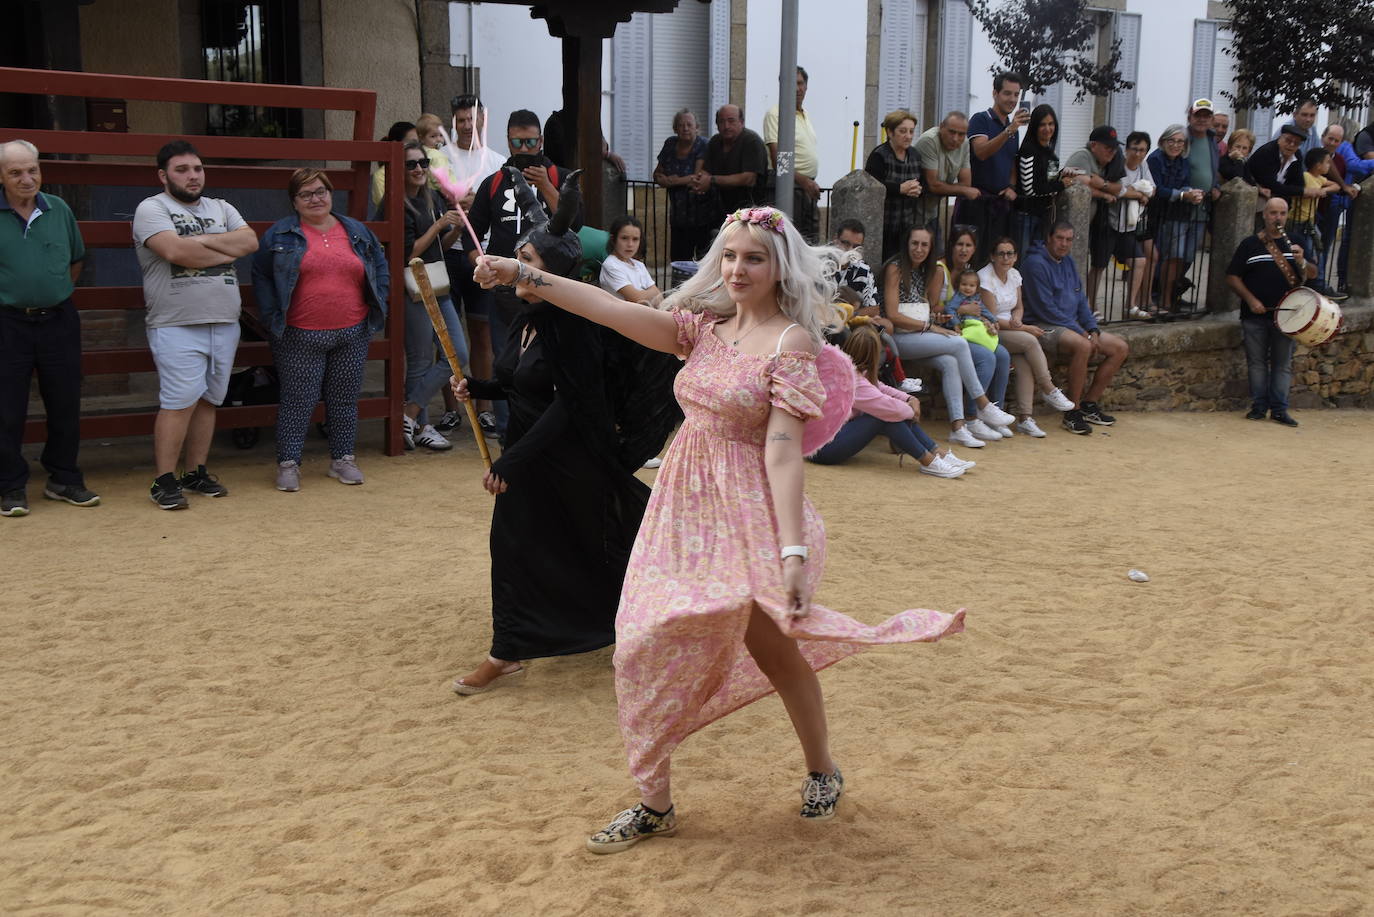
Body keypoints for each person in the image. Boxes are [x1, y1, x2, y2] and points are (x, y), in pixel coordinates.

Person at [473, 205, 964, 852]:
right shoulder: (702, 328)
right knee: (638, 641)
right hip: (681, 509)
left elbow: (785, 449)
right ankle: (655, 800)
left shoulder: (793, 343)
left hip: (748, 513)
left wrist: (791, 551)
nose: (737, 268)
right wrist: (519, 275)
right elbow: (610, 310)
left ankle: (822, 767)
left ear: (777, 266)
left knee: (775, 648)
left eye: (753, 257)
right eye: (729, 255)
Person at [449, 174, 680, 695]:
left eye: (528, 258)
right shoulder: (525, 316)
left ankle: (619, 631)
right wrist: (479, 386)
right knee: (524, 547)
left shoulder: (572, 326)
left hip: (566, 456)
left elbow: (567, 406)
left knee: (589, 545)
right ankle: (512, 648)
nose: (517, 264)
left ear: (553, 273)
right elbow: (523, 382)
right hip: (532, 454)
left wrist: (512, 462)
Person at [133, 140, 259, 510]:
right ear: (163, 175)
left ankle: (195, 471)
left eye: (197, 169)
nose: (192, 176)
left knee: (208, 399)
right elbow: (176, 252)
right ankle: (164, 480)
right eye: (182, 169)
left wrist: (199, 240)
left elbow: (250, 241)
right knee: (178, 402)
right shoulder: (152, 208)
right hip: (176, 324)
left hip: (224, 321)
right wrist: (222, 245)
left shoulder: (222, 207)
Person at [252, 168, 389, 491]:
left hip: (352, 331)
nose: (315, 199)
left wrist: (378, 297)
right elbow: (261, 276)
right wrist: (273, 316)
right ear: (294, 201)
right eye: (306, 194)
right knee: (298, 400)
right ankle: (288, 464)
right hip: (299, 333)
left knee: (344, 399)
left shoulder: (355, 230)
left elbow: (379, 266)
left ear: (331, 193)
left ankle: (343, 459)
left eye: (320, 192)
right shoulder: (279, 235)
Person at [0, 139, 98, 517]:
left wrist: (51, 291)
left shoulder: (58, 209)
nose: (27, 179)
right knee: (7, 407)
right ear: (2, 177)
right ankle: (10, 485)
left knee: (65, 401)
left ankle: (64, 478)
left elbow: (75, 260)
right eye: (16, 173)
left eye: (33, 170)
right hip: (8, 322)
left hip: (57, 318)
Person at [465, 109, 574, 440]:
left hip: (551, 288)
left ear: (541, 140)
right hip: (504, 289)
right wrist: (480, 263)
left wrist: (546, 186)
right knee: (506, 361)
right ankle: (506, 434)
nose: (524, 148)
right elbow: (473, 234)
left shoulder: (559, 176)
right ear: (508, 140)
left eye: (530, 141)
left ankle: (548, 433)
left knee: (553, 360)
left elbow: (574, 227)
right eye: (517, 141)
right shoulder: (493, 182)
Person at [881, 225, 1017, 450]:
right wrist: (930, 327)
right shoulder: (896, 269)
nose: (919, 249)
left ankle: (958, 427)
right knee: (959, 342)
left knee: (950, 362)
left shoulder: (925, 271)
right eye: (915, 243)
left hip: (920, 335)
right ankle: (982, 404)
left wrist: (937, 319)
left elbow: (927, 307)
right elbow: (894, 315)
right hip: (901, 339)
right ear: (907, 244)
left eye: (925, 244)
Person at [388, 140, 467, 452]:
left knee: (458, 354)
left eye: (422, 163)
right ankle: (421, 427)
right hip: (412, 287)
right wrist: (439, 224)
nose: (419, 169)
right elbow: (408, 253)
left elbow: (437, 250)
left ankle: (409, 414)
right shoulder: (398, 205)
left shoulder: (430, 198)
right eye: (411, 164)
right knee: (420, 358)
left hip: (436, 284)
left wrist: (456, 230)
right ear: (400, 170)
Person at [809, 326, 970, 478]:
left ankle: (936, 454)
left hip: (825, 440)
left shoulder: (851, 371)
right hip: (822, 450)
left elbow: (881, 388)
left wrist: (909, 398)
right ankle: (929, 460)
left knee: (887, 414)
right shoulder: (852, 381)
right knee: (883, 417)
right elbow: (893, 409)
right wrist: (912, 411)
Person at [436, 95, 506, 436]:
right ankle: (451, 409)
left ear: (483, 120)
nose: (466, 125)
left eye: (472, 119)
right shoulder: (441, 158)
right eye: (460, 120)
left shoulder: (497, 162)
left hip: (483, 254)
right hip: (447, 252)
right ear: (453, 121)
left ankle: (485, 407)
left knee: (482, 333)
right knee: (445, 336)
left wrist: (476, 203)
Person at [1020, 221, 1130, 435]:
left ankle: (1090, 403)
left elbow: (1081, 299)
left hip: (1070, 324)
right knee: (1083, 346)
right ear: (1049, 238)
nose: (1064, 244)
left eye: (1069, 240)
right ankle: (1073, 411)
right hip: (1042, 324)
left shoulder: (1068, 261)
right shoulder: (1035, 264)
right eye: (1060, 238)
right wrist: (1082, 333)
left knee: (1120, 348)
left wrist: (1092, 329)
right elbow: (1045, 309)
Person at [1225, 196, 1315, 426]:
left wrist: (1302, 261)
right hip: (1254, 314)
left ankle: (1280, 409)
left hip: (1287, 316)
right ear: (1264, 215)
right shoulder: (1250, 244)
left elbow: (1313, 274)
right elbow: (1232, 276)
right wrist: (1250, 299)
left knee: (1282, 363)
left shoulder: (1296, 241)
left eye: (1282, 213)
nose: (1278, 218)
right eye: (1273, 213)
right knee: (1256, 363)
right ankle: (1259, 406)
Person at [978, 236, 1076, 437]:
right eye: (1001, 254)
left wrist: (1018, 319)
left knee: (1024, 363)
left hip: (1012, 327)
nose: (1006, 258)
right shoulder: (985, 278)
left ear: (1015, 257)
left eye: (1010, 254)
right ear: (992, 257)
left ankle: (1025, 418)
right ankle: (1048, 388)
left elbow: (1019, 306)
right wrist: (1024, 328)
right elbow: (991, 317)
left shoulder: (1014, 275)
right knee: (1031, 341)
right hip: (991, 329)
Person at [926, 227, 1012, 442]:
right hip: (945, 330)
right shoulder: (940, 270)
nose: (964, 249)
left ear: (974, 249)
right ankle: (972, 416)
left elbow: (979, 306)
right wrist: (961, 312)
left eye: (969, 245)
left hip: (970, 331)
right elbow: (931, 307)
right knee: (986, 357)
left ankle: (994, 415)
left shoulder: (969, 272)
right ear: (951, 245)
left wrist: (988, 321)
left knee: (1002, 355)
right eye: (959, 244)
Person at [1064, 125, 1129, 316]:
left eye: (1114, 147)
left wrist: (1101, 183)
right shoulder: (1083, 155)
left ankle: (1085, 306)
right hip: (1071, 223)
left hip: (1089, 224)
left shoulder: (1108, 162)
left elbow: (1119, 188)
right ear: (1094, 145)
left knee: (1089, 264)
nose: (1112, 151)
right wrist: (1103, 193)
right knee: (1071, 265)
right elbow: (1077, 181)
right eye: (1107, 147)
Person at [966, 72, 1030, 262]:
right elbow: (981, 152)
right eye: (1007, 93)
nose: (1012, 99)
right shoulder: (980, 119)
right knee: (977, 261)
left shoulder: (1013, 128)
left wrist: (1011, 187)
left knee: (1000, 263)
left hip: (1002, 207)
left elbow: (1011, 162)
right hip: (979, 204)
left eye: (1016, 95)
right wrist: (1009, 131)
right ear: (995, 93)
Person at [1146, 124, 1207, 317]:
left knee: (1182, 258)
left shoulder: (1183, 161)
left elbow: (1185, 183)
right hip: (1163, 215)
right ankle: (1163, 300)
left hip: (1181, 213)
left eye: (1180, 141)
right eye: (1171, 140)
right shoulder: (1155, 159)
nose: (1175, 145)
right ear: (1163, 141)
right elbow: (1157, 189)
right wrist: (1183, 195)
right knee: (1171, 256)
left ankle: (1171, 298)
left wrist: (1192, 193)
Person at [763, 67, 822, 241]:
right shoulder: (776, 113)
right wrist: (804, 181)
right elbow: (778, 160)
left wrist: (808, 182)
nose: (797, 88)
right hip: (789, 185)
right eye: (791, 84)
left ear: (806, 86)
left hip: (805, 186)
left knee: (809, 239)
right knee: (789, 239)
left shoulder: (805, 114)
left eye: (800, 83)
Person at [914, 112, 980, 251]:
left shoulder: (965, 143)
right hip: (913, 212)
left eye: (961, 134)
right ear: (941, 127)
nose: (956, 138)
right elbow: (933, 185)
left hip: (932, 212)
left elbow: (966, 182)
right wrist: (962, 190)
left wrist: (955, 187)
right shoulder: (930, 140)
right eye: (951, 132)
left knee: (938, 258)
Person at [864, 109, 924, 263]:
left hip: (908, 224)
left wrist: (918, 189)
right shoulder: (879, 155)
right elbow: (871, 188)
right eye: (903, 131)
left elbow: (921, 182)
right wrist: (899, 189)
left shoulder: (915, 155)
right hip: (884, 226)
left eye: (911, 131)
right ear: (890, 132)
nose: (908, 136)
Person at [653, 108, 711, 261]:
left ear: (697, 127)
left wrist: (671, 181)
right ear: (675, 128)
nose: (685, 128)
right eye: (681, 125)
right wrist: (664, 179)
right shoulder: (670, 143)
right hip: (678, 215)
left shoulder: (703, 144)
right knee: (678, 261)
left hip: (701, 215)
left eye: (689, 125)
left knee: (701, 262)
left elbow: (697, 178)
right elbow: (657, 174)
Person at [1014, 104, 1072, 256]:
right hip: (1025, 215)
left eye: (1051, 124)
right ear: (1034, 127)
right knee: (1022, 261)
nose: (1047, 128)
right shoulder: (1027, 151)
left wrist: (1062, 176)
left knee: (1038, 261)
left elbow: (1050, 183)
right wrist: (1061, 184)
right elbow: (1030, 189)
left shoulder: (1052, 156)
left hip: (1043, 217)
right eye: (1042, 124)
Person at [695, 104, 769, 220]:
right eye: (721, 122)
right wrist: (699, 180)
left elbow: (749, 179)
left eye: (731, 121)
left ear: (742, 122)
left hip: (750, 212)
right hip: (721, 211)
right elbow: (706, 171)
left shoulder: (751, 141)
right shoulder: (715, 141)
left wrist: (711, 180)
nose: (726, 126)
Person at [1316, 124, 1361, 299]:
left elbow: (1344, 182)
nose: (1332, 143)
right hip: (1314, 208)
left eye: (1337, 140)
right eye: (1330, 139)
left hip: (1332, 209)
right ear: (1323, 137)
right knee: (1313, 247)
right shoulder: (1315, 156)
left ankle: (1321, 284)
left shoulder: (1341, 160)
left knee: (1326, 247)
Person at [1287, 147, 1339, 265]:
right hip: (1297, 220)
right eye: (1327, 162)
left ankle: (1315, 273)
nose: (1329, 166)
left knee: (1317, 244)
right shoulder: (1305, 176)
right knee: (1302, 246)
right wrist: (1315, 192)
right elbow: (1302, 192)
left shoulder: (1319, 179)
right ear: (1318, 165)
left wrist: (1323, 191)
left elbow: (1336, 186)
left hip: (1309, 220)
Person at [600, 216, 661, 304]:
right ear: (613, 239)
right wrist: (651, 293)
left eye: (635, 239)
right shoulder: (611, 265)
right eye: (624, 238)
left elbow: (659, 296)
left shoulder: (639, 265)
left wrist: (649, 294)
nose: (630, 244)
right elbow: (637, 299)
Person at [1250, 125, 1311, 207]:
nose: (1291, 145)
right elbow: (1271, 185)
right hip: (1256, 198)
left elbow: (1299, 183)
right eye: (1288, 140)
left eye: (1296, 143)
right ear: (1279, 139)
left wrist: (1298, 190)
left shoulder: (1297, 155)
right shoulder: (1267, 152)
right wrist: (1302, 191)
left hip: (1280, 202)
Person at [369, 121, 417, 213]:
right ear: (396, 144)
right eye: (412, 143)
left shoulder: (420, 168)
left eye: (419, 143)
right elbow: (389, 208)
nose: (417, 147)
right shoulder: (381, 175)